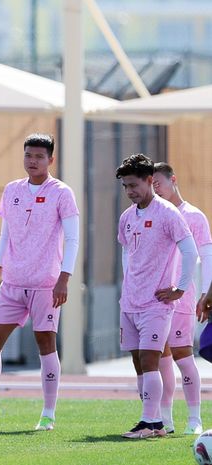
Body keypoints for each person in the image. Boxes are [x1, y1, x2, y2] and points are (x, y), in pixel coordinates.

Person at [0, 133, 79, 432]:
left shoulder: (62, 192)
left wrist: (63, 278)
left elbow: (72, 239)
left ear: (50, 160)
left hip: (46, 283)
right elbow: (5, 235)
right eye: (28, 155)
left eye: (39, 157)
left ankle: (48, 413)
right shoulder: (12, 190)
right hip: (13, 281)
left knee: (45, 343)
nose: (32, 161)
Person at [116, 154, 196, 439]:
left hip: (157, 303)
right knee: (139, 363)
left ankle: (150, 423)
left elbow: (191, 252)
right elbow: (127, 253)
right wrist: (127, 289)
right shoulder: (127, 216)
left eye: (134, 185)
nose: (130, 191)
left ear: (150, 180)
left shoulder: (168, 213)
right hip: (130, 302)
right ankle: (154, 421)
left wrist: (180, 289)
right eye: (125, 186)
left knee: (151, 360)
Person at [152, 162, 210, 435]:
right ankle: (165, 419)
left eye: (158, 184)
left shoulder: (194, 216)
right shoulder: (150, 214)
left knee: (183, 356)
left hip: (182, 299)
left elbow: (206, 255)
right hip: (153, 300)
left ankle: (194, 418)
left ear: (172, 180)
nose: (155, 190)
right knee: (160, 360)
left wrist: (205, 293)